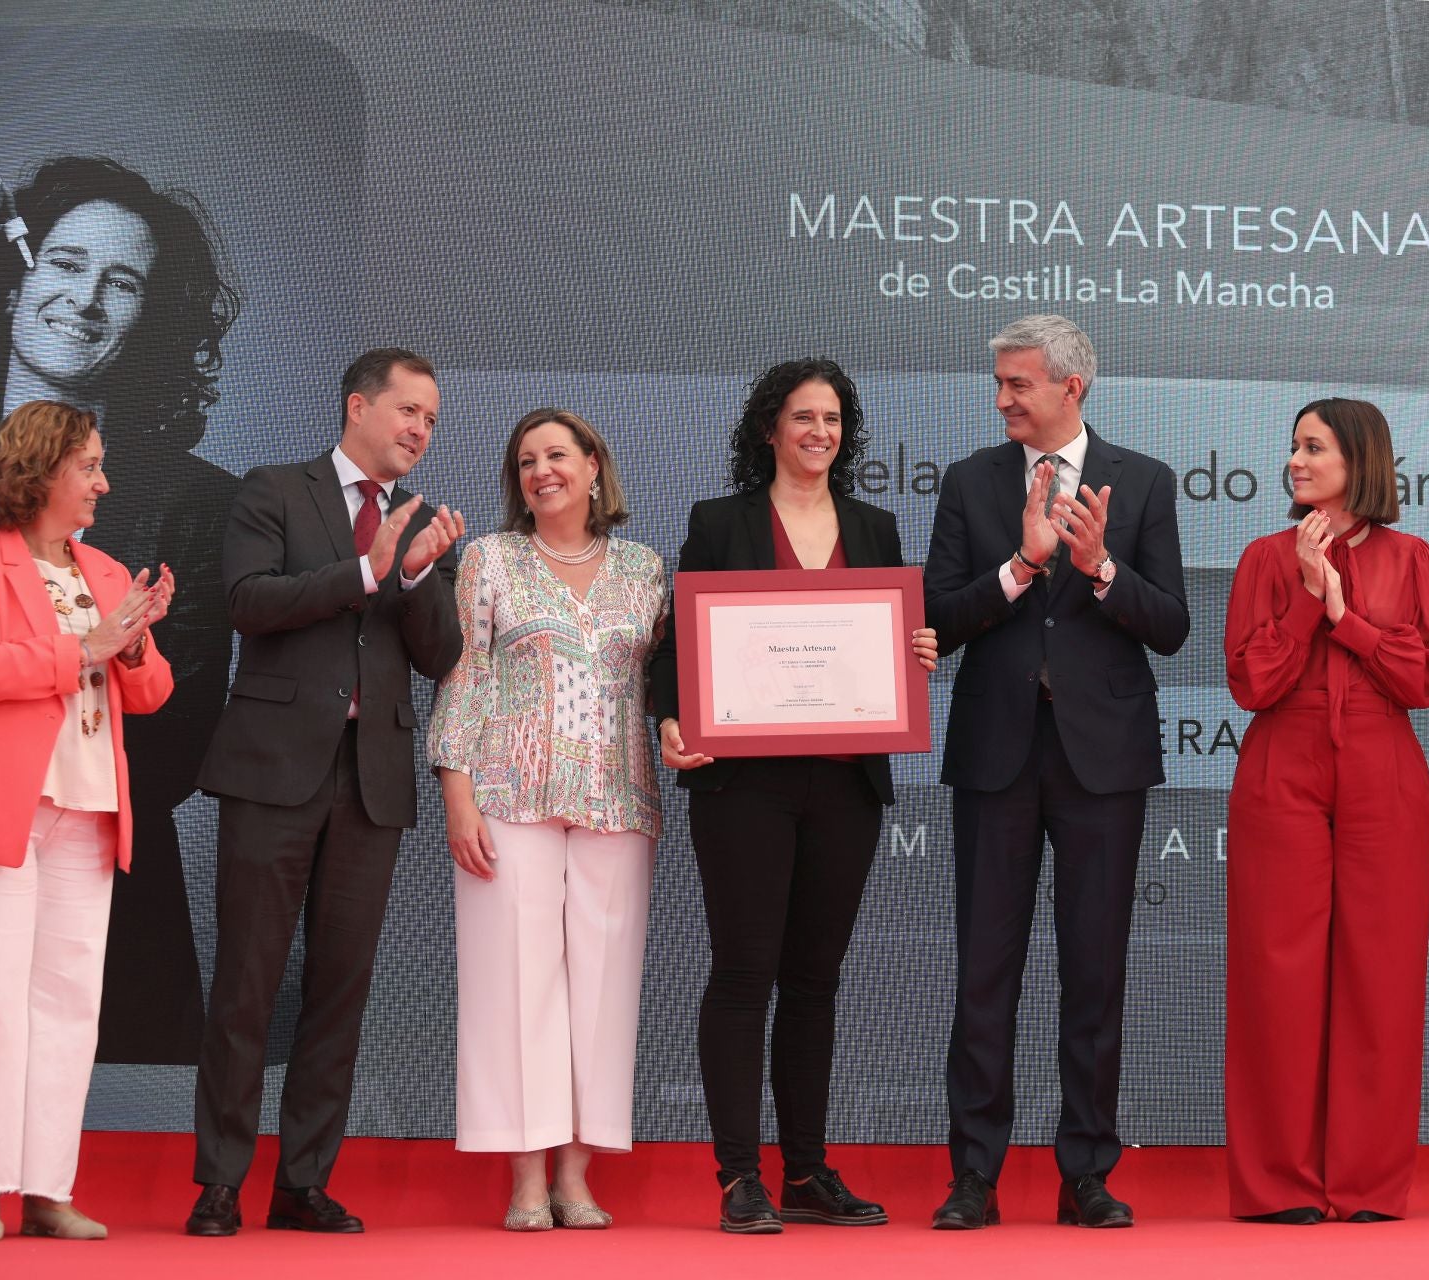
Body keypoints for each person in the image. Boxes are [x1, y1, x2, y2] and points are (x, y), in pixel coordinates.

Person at [0, 157, 240, 1065]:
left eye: (123, 283)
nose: (86, 299)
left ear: (151, 320)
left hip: (76, 935)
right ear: (15, 279)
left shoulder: (195, 502)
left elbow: (171, 754)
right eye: (65, 263)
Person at [649, 358, 937, 1233]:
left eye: (834, 419)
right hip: (744, 783)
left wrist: (916, 651)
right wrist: (670, 716)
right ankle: (740, 1177)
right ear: (770, 428)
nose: (820, 432)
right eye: (804, 417)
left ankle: (807, 1172)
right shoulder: (720, 522)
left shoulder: (875, 527)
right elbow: (676, 643)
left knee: (815, 981)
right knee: (745, 973)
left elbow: (891, 640)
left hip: (845, 781)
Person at [185, 348, 464, 1237]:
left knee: (339, 990)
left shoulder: (423, 524)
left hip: (370, 781)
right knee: (247, 982)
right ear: (357, 407)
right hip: (272, 771)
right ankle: (220, 1181)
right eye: (409, 410)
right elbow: (247, 601)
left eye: (432, 419)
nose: (421, 430)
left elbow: (441, 656)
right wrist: (366, 572)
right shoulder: (273, 490)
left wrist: (412, 576)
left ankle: (303, 1182)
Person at [923, 314, 1188, 1230]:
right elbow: (938, 616)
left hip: (1101, 760)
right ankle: (973, 1176)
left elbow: (1172, 625)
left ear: (1071, 387)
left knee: (1095, 972)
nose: (1001, 399)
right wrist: (1021, 566)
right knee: (984, 972)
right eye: (998, 383)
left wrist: (1100, 567)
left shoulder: (1142, 480)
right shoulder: (970, 481)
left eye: (1018, 384)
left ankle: (1087, 1174)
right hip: (995, 752)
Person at [0, 399, 174, 1241]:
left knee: (68, 1005)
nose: (103, 482)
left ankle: (48, 1189)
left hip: (87, 811)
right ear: (42, 469)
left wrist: (133, 643)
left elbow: (152, 694)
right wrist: (88, 646)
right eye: (88, 465)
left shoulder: (109, 571)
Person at [428, 408, 665, 1231]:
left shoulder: (644, 569)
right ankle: (526, 1178)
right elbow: (464, 675)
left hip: (618, 797)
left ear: (594, 466)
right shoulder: (489, 559)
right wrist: (457, 792)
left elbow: (669, 682)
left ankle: (576, 1177)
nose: (541, 472)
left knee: (604, 991)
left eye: (557, 455)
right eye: (526, 461)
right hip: (507, 794)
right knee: (513, 983)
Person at [1222, 397, 1429, 1224]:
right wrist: (1302, 595)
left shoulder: (1412, 557)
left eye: (1313, 447)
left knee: (1381, 975)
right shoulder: (1262, 558)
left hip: (1383, 766)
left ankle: (1366, 1182)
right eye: (1294, 446)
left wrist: (1342, 615)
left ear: (1360, 460)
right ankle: (1278, 1184)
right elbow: (1251, 682)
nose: (1296, 460)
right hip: (1281, 763)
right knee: (1275, 972)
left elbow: (1424, 679)